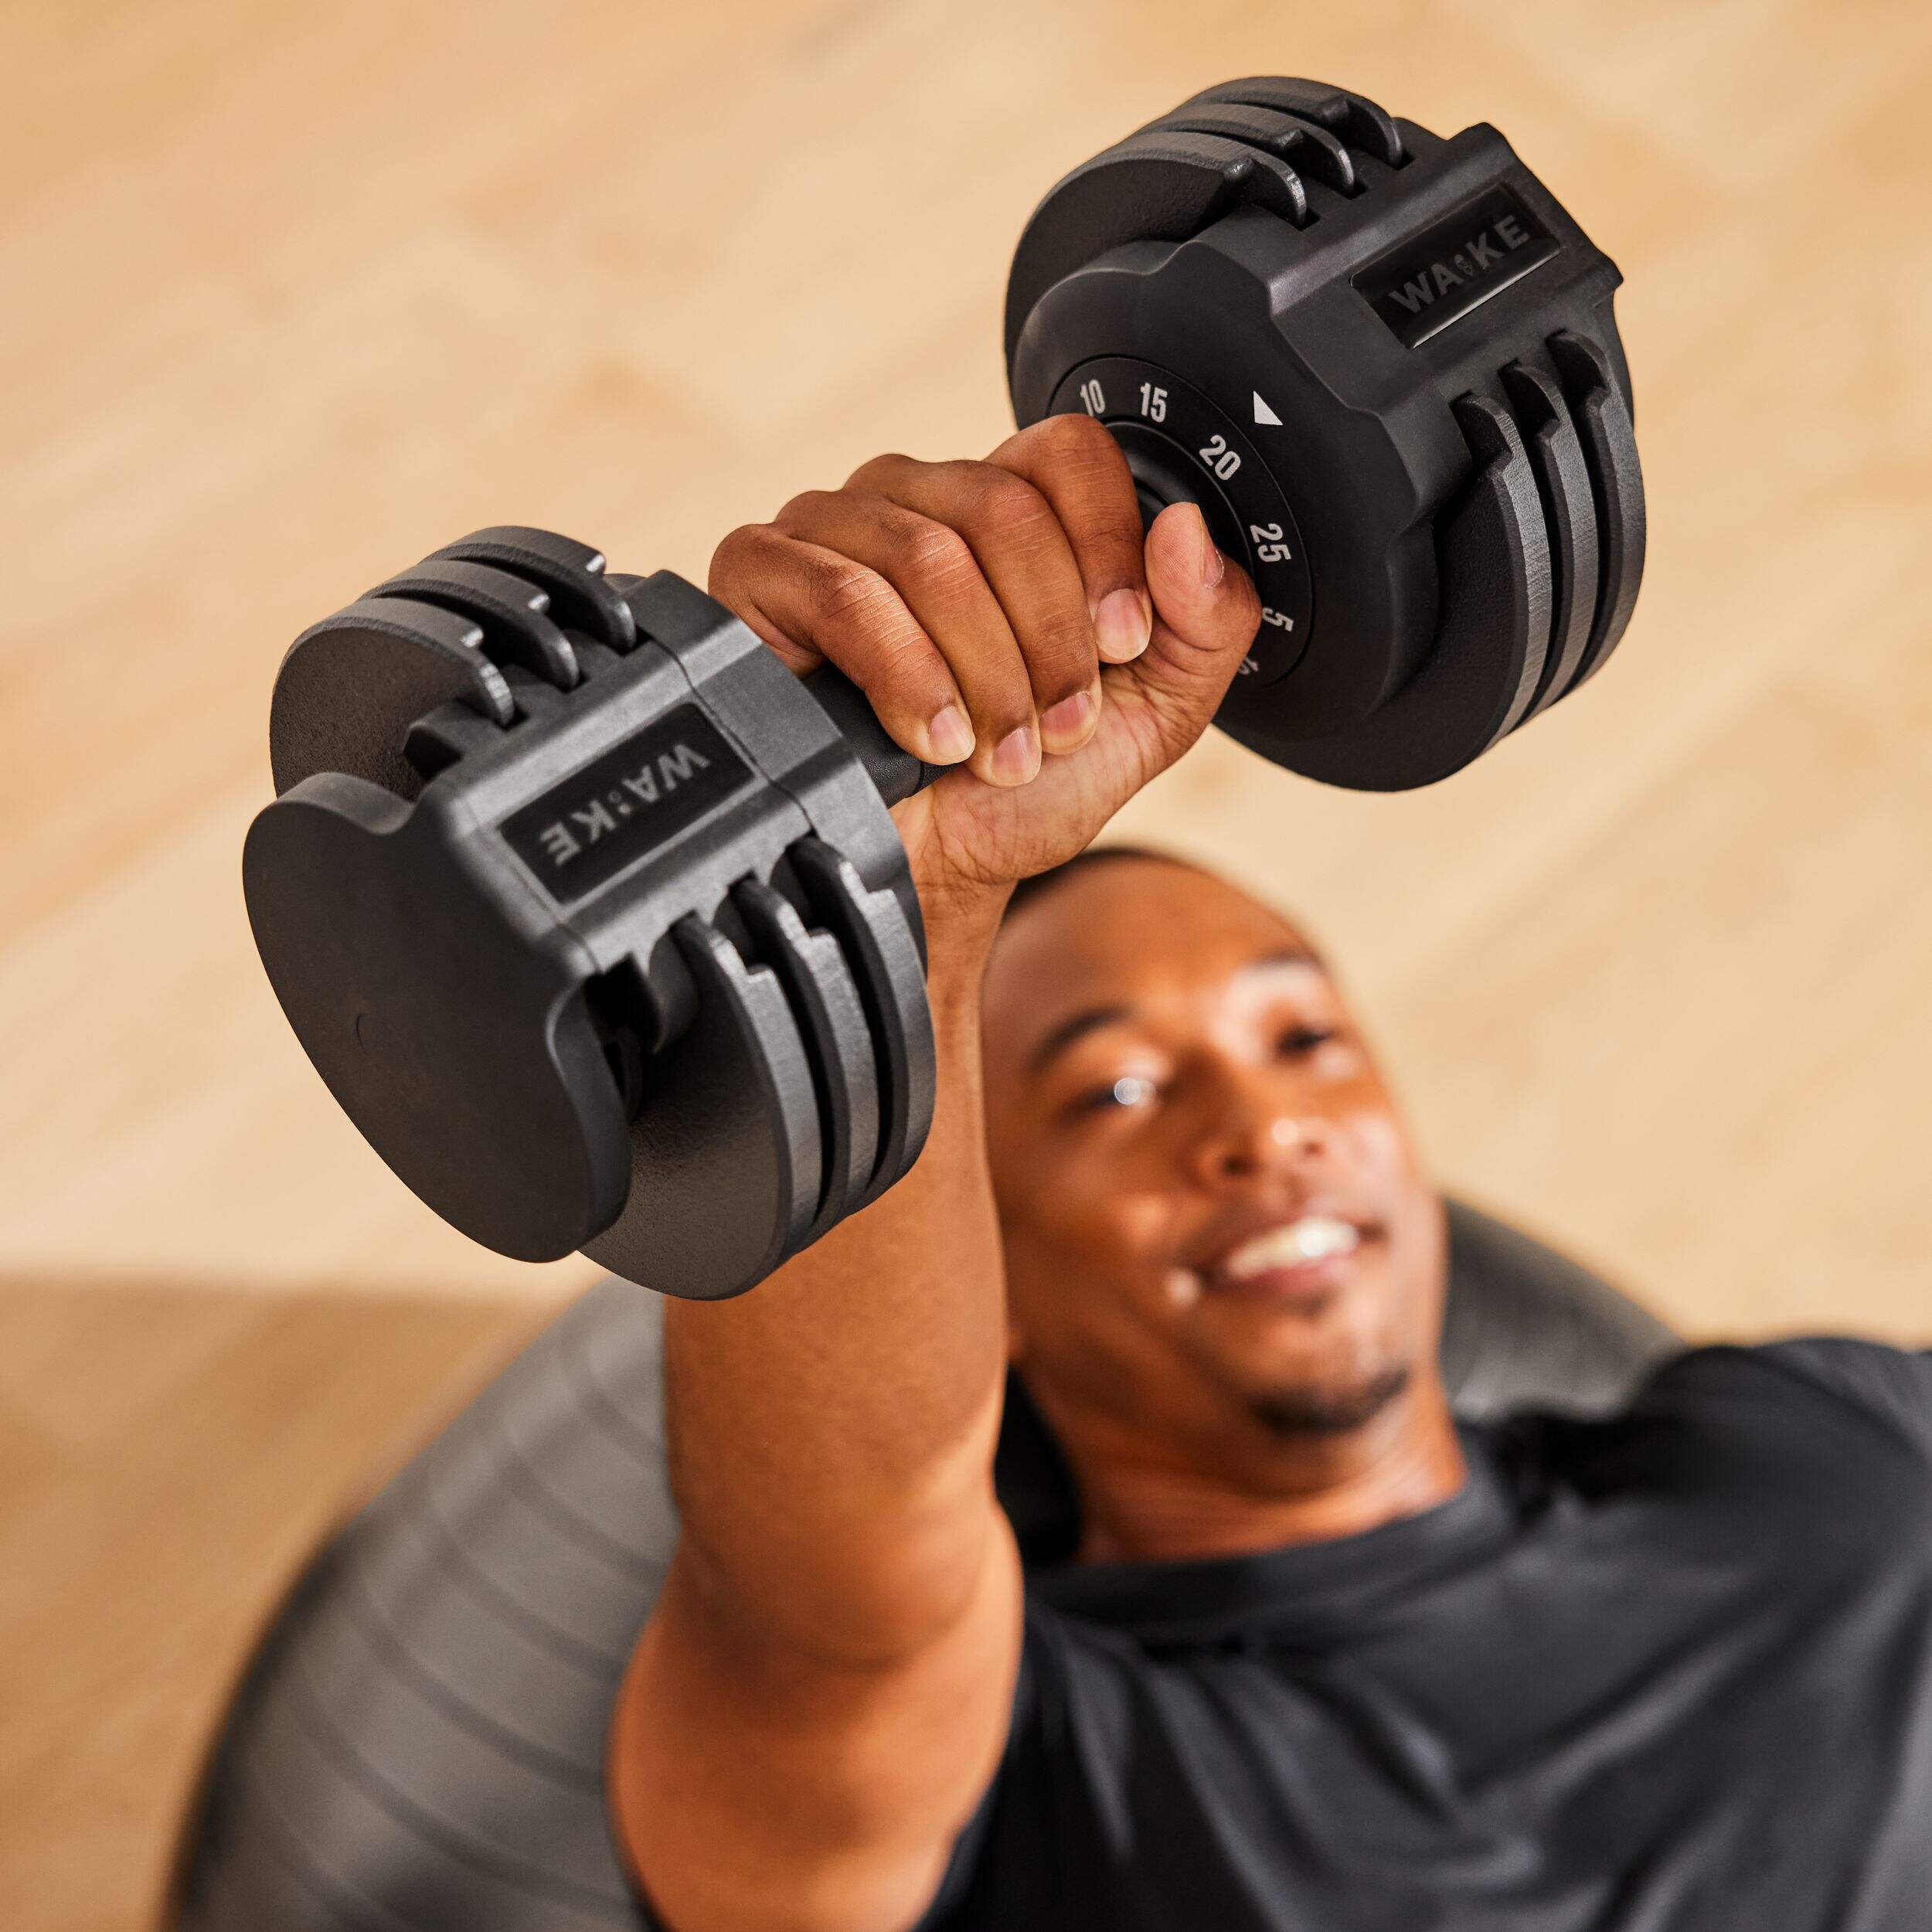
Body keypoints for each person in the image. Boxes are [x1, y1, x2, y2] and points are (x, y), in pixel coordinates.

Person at [606, 417, 1932, 1932]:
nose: (1261, 1124)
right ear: (987, 1276)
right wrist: (883, 911)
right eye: (1113, 1092)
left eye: (1302, 1037)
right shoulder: (1023, 1769)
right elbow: (830, 1589)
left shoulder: (1823, 1448)